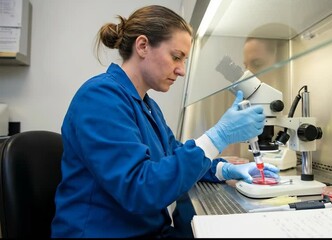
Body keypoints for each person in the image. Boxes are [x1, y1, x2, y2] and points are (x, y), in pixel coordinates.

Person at [51, 5, 279, 238]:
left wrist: (224, 169)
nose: (181, 70)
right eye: (176, 57)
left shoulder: (146, 105)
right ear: (142, 46)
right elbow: (140, 189)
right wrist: (218, 136)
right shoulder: (100, 98)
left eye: (184, 60)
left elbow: (174, 154)